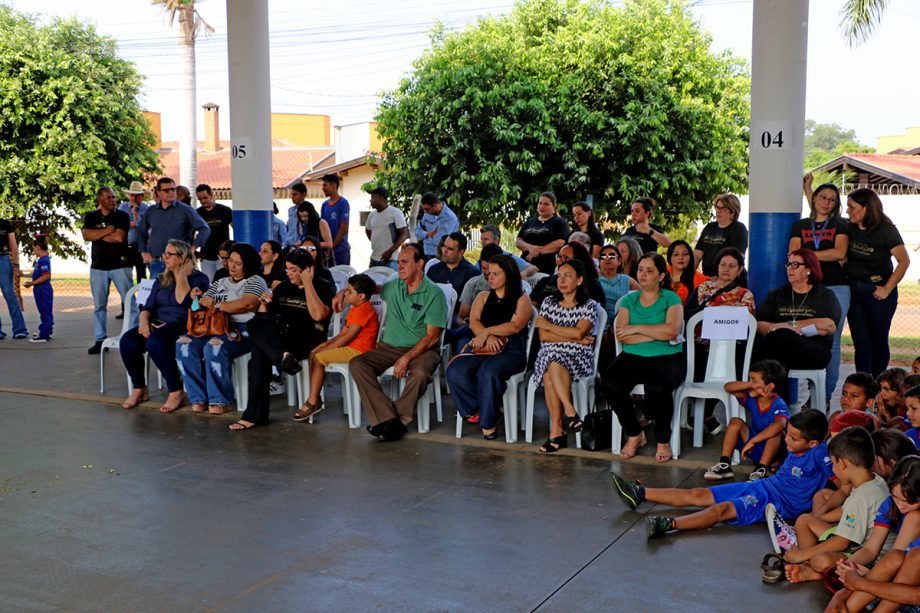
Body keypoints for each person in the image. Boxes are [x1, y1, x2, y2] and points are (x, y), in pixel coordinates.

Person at [610, 410, 833, 540]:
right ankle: (639, 493)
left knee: (722, 510)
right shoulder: (800, 445)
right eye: (788, 435)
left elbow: (843, 483)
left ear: (813, 443)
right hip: (763, 486)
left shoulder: (820, 454)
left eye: (793, 438)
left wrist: (820, 510)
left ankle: (669, 525)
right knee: (698, 493)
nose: (786, 440)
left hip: (774, 502)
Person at [344, 244, 447, 441]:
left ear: (419, 264)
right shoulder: (394, 286)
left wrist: (406, 358)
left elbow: (432, 337)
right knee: (357, 364)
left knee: (420, 373)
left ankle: (396, 420)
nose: (399, 267)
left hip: (422, 350)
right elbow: (370, 289)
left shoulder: (434, 294)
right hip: (389, 347)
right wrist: (342, 293)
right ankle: (390, 419)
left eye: (405, 262)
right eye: (398, 262)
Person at [231, 248, 336, 430]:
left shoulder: (322, 286)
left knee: (259, 353)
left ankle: (254, 416)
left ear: (308, 270)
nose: (289, 274)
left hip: (308, 339)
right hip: (283, 340)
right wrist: (264, 304)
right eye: (288, 269)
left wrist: (307, 283)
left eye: (294, 270)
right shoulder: (284, 287)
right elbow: (264, 318)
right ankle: (283, 357)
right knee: (255, 324)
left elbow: (319, 315)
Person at [602, 253, 685, 462]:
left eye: (649, 270)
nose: (643, 274)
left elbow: (672, 331)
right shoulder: (628, 300)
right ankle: (634, 433)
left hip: (667, 356)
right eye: (640, 269)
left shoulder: (671, 298)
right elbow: (622, 335)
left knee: (657, 389)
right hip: (633, 356)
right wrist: (656, 333)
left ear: (661, 276)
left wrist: (636, 328)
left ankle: (663, 440)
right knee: (610, 383)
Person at [783, 427, 889, 584]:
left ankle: (808, 565)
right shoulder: (875, 480)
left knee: (820, 561)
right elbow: (846, 514)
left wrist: (802, 554)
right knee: (804, 520)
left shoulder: (860, 497)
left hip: (864, 554)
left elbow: (842, 542)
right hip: (853, 540)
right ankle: (806, 560)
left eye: (833, 463)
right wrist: (819, 518)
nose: (832, 468)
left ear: (843, 463)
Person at [446, 254, 532, 440]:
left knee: (488, 372)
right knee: (455, 369)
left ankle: (488, 422)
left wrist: (488, 332)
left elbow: (515, 326)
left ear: (508, 274)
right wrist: (488, 336)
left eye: (495, 274)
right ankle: (481, 408)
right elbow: (474, 321)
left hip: (511, 351)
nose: (490, 277)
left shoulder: (522, 299)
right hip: (482, 348)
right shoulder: (483, 297)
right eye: (488, 273)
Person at [119, 240, 209, 412]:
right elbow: (148, 307)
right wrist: (144, 321)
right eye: (164, 253)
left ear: (183, 257)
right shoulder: (161, 279)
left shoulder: (199, 278)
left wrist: (181, 275)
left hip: (184, 324)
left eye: (170, 254)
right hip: (158, 324)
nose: (164, 257)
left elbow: (184, 302)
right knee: (128, 341)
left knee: (156, 341)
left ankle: (175, 391)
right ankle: (139, 388)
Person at [177, 243, 266, 415]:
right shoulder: (220, 282)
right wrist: (197, 298)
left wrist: (217, 305)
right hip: (213, 326)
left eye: (238, 263)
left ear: (248, 264)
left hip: (242, 329)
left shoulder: (255, 280)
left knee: (214, 346)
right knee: (183, 344)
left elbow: (248, 304)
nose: (232, 266)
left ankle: (221, 399)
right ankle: (198, 398)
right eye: (230, 261)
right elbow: (201, 307)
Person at [827, 456, 920, 613]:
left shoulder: (914, 518)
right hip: (899, 586)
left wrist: (861, 582)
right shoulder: (891, 505)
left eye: (909, 502)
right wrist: (844, 586)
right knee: (895, 557)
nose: (901, 506)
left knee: (915, 554)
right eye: (896, 497)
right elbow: (883, 555)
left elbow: (916, 595)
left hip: (911, 595)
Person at [754, 248, 842, 403]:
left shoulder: (824, 295)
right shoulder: (778, 294)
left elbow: (829, 325)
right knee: (775, 351)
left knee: (780, 338)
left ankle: (775, 407)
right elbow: (759, 324)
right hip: (780, 349)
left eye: (795, 265)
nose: (789, 269)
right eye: (788, 264)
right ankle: (779, 406)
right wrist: (793, 327)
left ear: (809, 269)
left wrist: (782, 327)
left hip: (814, 351)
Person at [685, 247, 756, 434]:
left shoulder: (745, 295)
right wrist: (708, 312)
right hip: (701, 345)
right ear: (717, 266)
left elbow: (747, 327)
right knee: (691, 355)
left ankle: (705, 414)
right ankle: (704, 414)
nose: (726, 269)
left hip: (732, 349)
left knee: (731, 358)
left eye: (732, 266)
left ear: (739, 270)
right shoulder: (703, 289)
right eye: (723, 264)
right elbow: (687, 315)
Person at [531, 258, 599, 453]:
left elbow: (579, 332)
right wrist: (576, 337)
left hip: (578, 356)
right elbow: (543, 337)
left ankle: (557, 430)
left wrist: (550, 326)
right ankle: (570, 414)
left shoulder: (589, 305)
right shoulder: (549, 302)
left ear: (579, 280)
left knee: (549, 369)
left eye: (567, 276)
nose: (561, 280)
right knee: (552, 360)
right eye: (559, 275)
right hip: (551, 352)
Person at [792, 176, 849, 399]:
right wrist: (824, 255)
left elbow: (840, 252)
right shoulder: (800, 225)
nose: (827, 202)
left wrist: (808, 256)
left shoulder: (839, 225)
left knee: (832, 340)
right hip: (808, 288)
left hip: (837, 287)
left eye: (832, 200)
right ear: (814, 198)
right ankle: (811, 392)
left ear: (836, 204)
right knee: (808, 337)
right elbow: (793, 254)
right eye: (823, 197)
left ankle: (824, 395)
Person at [296, 273, 380, 421]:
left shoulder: (363, 310)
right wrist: (325, 344)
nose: (345, 294)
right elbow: (344, 333)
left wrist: (325, 349)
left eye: (349, 292)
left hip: (359, 351)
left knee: (318, 357)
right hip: (351, 347)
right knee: (313, 353)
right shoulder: (356, 307)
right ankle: (315, 397)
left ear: (361, 296)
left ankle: (313, 401)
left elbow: (348, 337)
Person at [846, 188, 910, 377]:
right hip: (854, 291)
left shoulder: (885, 229)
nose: (848, 211)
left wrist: (887, 289)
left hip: (877, 292)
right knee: (861, 343)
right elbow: (821, 212)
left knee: (878, 341)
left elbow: (904, 261)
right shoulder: (849, 227)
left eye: (852, 207)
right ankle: (863, 384)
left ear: (866, 207)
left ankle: (878, 385)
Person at [704, 359, 790, 482]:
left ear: (769, 387)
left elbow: (779, 425)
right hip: (757, 448)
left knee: (776, 432)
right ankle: (725, 465)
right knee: (735, 422)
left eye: (754, 380)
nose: (750, 384)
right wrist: (751, 385)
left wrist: (753, 441)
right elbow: (728, 387)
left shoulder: (778, 404)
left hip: (775, 453)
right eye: (750, 379)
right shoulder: (752, 398)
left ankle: (761, 470)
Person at [82, 186, 132, 354]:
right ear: (100, 199)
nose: (113, 200)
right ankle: (100, 339)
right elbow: (86, 236)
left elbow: (118, 237)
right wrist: (108, 230)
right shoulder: (91, 216)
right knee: (99, 305)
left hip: (120, 265)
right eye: (109, 197)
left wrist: (97, 234)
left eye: (113, 197)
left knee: (129, 301)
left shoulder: (122, 216)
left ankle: (132, 336)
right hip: (98, 267)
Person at [137, 177, 211, 277]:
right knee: (156, 288)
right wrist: (143, 252)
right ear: (158, 193)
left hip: (180, 262)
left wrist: (192, 249)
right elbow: (141, 231)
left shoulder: (185, 210)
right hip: (157, 263)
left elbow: (204, 229)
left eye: (173, 189)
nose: (171, 192)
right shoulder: (151, 211)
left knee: (182, 287)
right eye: (166, 190)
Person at [530, 242, 605, 308]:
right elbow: (532, 305)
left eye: (565, 257)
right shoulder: (545, 281)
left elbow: (595, 311)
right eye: (559, 256)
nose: (559, 260)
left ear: (579, 261)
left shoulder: (592, 285)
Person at [694, 193, 748, 276]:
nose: (718, 211)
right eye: (717, 207)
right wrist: (687, 274)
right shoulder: (709, 227)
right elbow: (697, 254)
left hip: (727, 277)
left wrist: (721, 278)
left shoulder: (738, 228)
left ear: (732, 212)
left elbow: (738, 258)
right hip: (707, 277)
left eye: (723, 209)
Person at [516, 192, 570, 275]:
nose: (542, 206)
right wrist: (530, 248)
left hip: (548, 269)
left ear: (554, 206)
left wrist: (539, 251)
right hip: (525, 268)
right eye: (540, 203)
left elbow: (561, 242)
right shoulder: (529, 222)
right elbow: (518, 241)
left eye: (546, 204)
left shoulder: (560, 222)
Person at [426, 232, 480, 316]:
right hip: (433, 317)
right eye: (444, 246)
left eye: (450, 249)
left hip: (458, 319)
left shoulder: (472, 273)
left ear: (460, 252)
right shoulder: (433, 270)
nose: (444, 251)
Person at [195, 184, 233, 281]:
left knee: (225, 282)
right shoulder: (197, 213)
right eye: (200, 199)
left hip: (224, 257)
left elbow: (236, 228)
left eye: (205, 198)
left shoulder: (225, 210)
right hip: (206, 257)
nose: (203, 201)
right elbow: (191, 232)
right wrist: (194, 250)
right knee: (210, 284)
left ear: (211, 195)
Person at [365, 185, 408, 270]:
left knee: (391, 278)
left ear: (381, 199)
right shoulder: (372, 215)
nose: (370, 200)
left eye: (373, 198)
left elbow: (404, 234)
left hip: (390, 259)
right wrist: (375, 241)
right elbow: (368, 230)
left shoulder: (395, 212)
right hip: (374, 258)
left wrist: (390, 251)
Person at [597, 244, 639, 330]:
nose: (607, 258)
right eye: (603, 256)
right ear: (599, 262)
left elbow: (645, 295)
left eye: (612, 256)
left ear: (619, 261)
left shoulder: (627, 280)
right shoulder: (592, 280)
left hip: (620, 325)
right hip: (596, 324)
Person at [118, 180, 150, 284]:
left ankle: (142, 295)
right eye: (132, 195)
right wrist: (131, 224)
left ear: (142, 196)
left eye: (137, 195)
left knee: (142, 275)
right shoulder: (123, 207)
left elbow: (146, 228)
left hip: (141, 248)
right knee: (125, 276)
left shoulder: (147, 209)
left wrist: (136, 215)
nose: (134, 198)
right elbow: (118, 225)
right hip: (126, 246)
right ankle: (127, 295)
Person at [24, 235, 53, 343]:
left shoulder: (44, 261)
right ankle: (47, 329)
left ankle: (44, 334)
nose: (34, 251)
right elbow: (37, 273)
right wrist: (23, 274)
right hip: (40, 289)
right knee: (45, 310)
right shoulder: (41, 260)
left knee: (45, 311)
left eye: (34, 248)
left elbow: (46, 276)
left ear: (38, 247)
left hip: (43, 290)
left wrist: (32, 283)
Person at [288, 197, 334, 265]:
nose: (303, 219)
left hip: (321, 260)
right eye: (301, 217)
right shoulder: (305, 225)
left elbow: (329, 244)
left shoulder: (321, 222)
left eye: (306, 216)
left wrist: (309, 245)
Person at [415, 192, 460, 260]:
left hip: (441, 257)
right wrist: (427, 234)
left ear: (435, 206)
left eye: (427, 209)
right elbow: (416, 232)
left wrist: (424, 236)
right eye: (423, 209)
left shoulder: (450, 218)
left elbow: (439, 241)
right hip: (424, 254)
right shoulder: (427, 214)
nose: (425, 212)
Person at [319, 174, 351, 266]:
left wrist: (332, 246)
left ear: (333, 186)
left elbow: (343, 228)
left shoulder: (343, 203)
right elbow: (322, 226)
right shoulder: (324, 205)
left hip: (340, 250)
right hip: (326, 250)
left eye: (325, 185)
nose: (323, 188)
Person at [666, 239, 707, 305]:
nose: (681, 258)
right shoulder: (661, 274)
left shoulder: (700, 279)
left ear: (690, 257)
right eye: (676, 254)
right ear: (669, 258)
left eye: (685, 254)